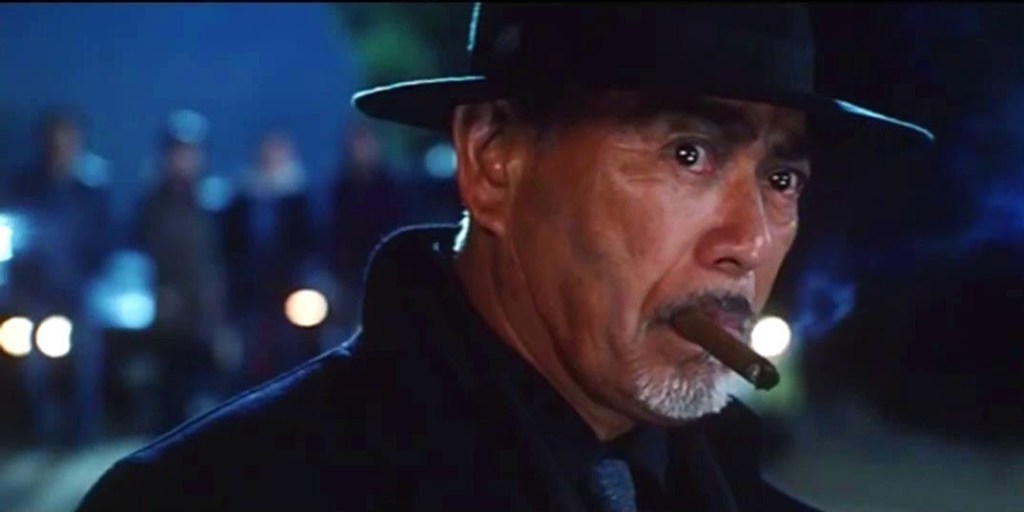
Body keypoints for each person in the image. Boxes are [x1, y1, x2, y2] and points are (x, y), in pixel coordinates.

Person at [77, 4, 933, 511]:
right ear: (493, 160)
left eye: (781, 177)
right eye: (688, 154)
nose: (747, 241)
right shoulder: (213, 497)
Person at [7, 108, 111, 448]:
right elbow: (16, 240)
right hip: (35, 297)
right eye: (55, 140)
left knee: (85, 365)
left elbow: (103, 242)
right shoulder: (25, 188)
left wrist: (86, 276)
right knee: (32, 368)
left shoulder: (90, 191)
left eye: (68, 140)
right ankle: (39, 431)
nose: (61, 147)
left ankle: (82, 433)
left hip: (77, 295)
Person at [133, 110, 228, 432]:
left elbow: (227, 258)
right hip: (166, 320)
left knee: (208, 403)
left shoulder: (215, 203)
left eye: (190, 152)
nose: (183, 160)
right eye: (177, 152)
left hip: (207, 317)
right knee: (168, 400)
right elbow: (138, 257)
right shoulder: (151, 204)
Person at [221, 128, 317, 384]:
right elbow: (231, 244)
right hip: (251, 290)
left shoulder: (299, 196)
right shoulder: (243, 196)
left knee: (291, 352)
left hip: (289, 288)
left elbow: (310, 242)